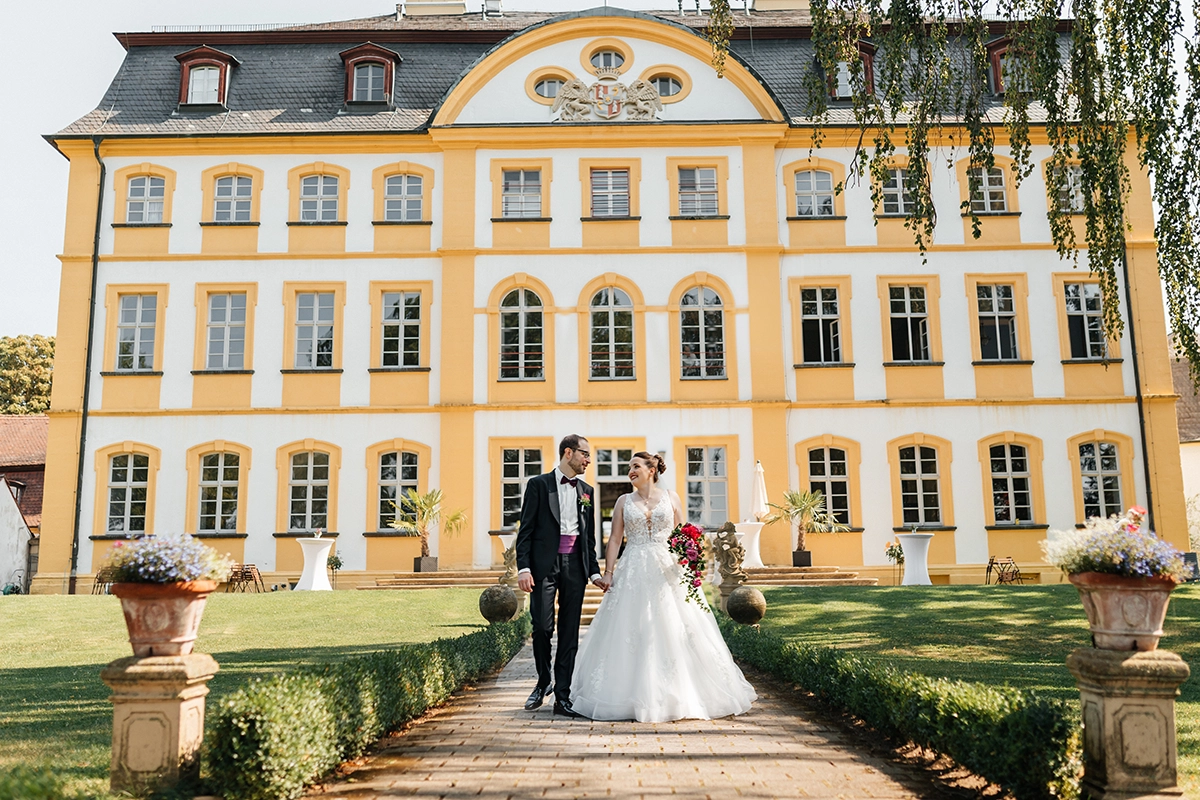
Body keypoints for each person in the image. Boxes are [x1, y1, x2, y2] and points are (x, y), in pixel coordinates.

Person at [570, 452, 757, 722]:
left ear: (652, 469)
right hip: (633, 567)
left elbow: (684, 534)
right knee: (631, 627)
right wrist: (608, 573)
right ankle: (628, 694)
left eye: (635, 466)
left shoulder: (671, 497)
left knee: (675, 625)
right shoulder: (624, 501)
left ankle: (682, 693)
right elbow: (614, 541)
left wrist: (691, 560)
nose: (630, 471)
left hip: (667, 569)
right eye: (629, 467)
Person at [515, 434, 605, 718]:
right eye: (585, 454)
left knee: (569, 633)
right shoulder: (539, 485)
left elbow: (588, 536)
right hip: (543, 566)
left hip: (575, 567)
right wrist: (524, 568)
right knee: (541, 627)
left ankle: (563, 696)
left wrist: (593, 571)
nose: (588, 460)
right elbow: (526, 530)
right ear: (568, 453)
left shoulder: (587, 490)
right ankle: (544, 682)